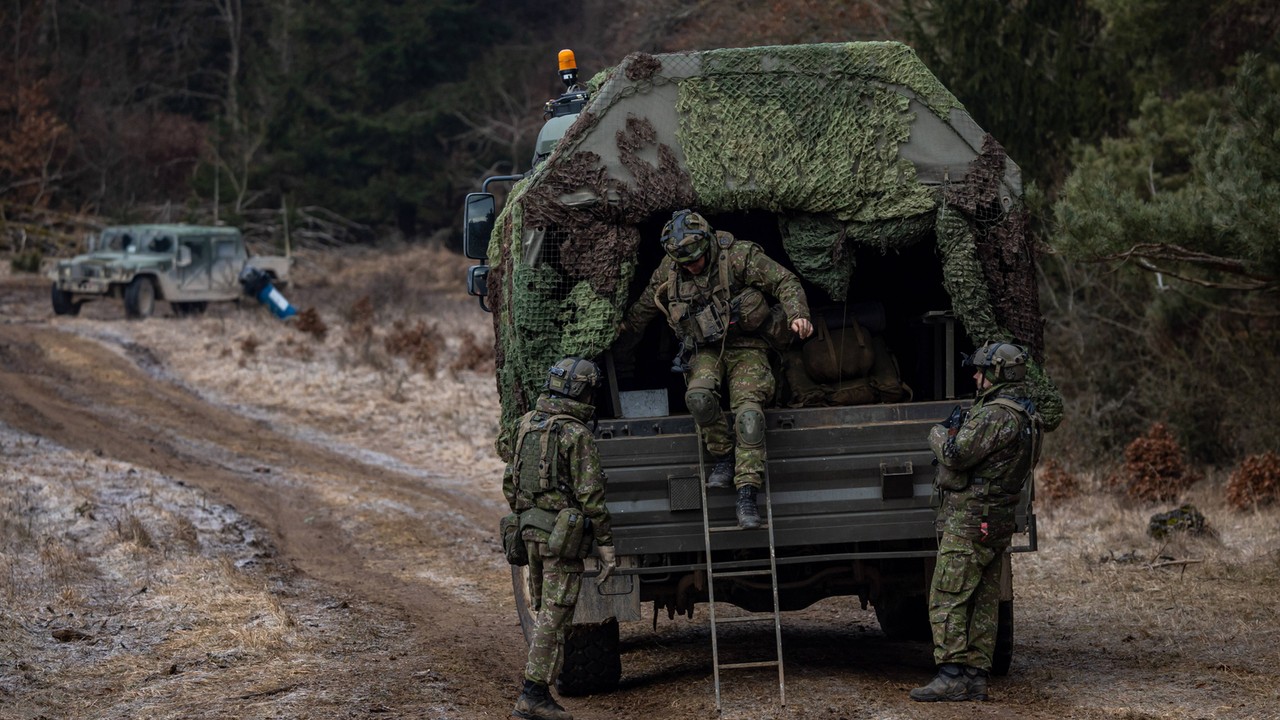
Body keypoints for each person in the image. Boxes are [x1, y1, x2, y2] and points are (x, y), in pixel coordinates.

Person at [619, 209, 813, 528]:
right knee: (698, 398)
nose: (693, 267)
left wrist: (797, 314)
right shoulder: (671, 270)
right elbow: (644, 308)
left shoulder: (738, 256)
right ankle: (724, 455)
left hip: (748, 346)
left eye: (696, 259)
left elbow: (784, 281)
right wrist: (620, 333)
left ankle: (747, 493)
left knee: (749, 416)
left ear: (708, 244)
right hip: (706, 349)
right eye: (685, 263)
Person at [910, 341, 1043, 702]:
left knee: (948, 595)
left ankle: (952, 673)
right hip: (996, 519)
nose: (976, 375)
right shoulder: (1025, 413)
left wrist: (938, 434)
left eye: (982, 370)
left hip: (971, 520)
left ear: (998, 373)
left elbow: (955, 454)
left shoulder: (996, 415)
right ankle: (975, 676)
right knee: (983, 599)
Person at [502, 356, 616, 720]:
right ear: (583, 392)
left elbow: (510, 482)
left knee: (545, 612)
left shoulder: (525, 425)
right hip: (560, 540)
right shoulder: (576, 434)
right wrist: (607, 545)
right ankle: (532, 693)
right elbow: (592, 497)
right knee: (554, 616)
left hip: (530, 532)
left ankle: (537, 691)